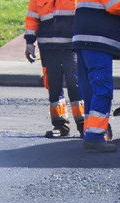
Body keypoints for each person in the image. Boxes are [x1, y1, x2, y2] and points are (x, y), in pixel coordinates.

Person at [72, 0, 120, 152]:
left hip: (84, 40)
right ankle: (95, 137)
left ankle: (90, 132)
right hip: (97, 42)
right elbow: (114, 5)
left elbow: (99, 15)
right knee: (102, 89)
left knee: (90, 90)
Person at [25, 0, 85, 137]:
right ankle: (60, 125)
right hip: (48, 48)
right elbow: (32, 18)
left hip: (71, 47)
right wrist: (29, 42)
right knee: (53, 85)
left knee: (75, 84)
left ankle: (83, 125)